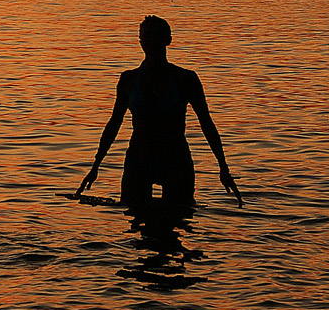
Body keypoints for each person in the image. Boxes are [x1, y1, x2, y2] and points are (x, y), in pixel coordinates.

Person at [76, 16, 241, 207]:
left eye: (158, 35)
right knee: (135, 223)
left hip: (176, 162)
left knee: (177, 222)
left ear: (168, 39)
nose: (153, 40)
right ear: (140, 41)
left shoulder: (186, 79)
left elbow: (206, 123)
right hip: (138, 161)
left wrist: (223, 168)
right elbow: (114, 123)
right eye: (148, 35)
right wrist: (96, 166)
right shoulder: (128, 80)